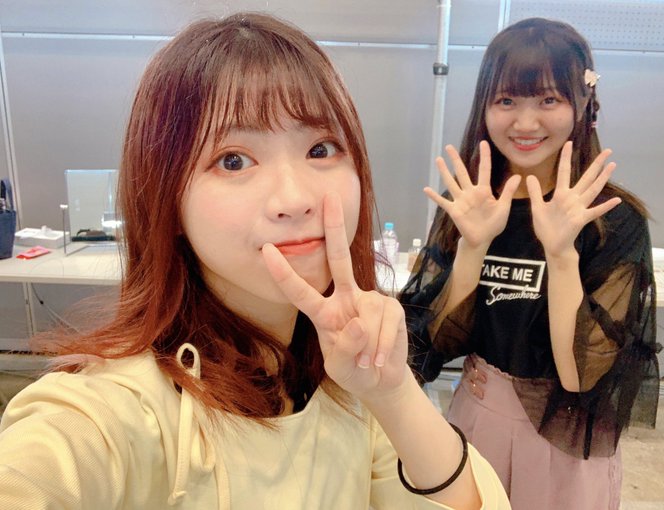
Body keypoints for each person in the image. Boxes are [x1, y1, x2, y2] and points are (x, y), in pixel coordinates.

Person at [0, 12, 509, 510]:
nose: (295, 198)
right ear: (167, 202)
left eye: (320, 149)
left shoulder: (347, 383)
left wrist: (394, 394)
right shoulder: (114, 410)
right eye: (233, 160)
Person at [400, 17, 659, 510]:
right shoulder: (472, 204)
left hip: (563, 442)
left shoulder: (613, 219)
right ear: (485, 107)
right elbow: (429, 345)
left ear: (582, 104)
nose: (524, 122)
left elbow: (579, 376)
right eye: (506, 100)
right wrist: (473, 247)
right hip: (475, 420)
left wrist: (560, 256)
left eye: (547, 100)